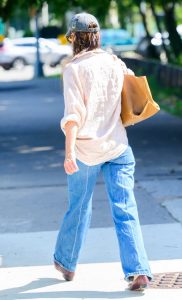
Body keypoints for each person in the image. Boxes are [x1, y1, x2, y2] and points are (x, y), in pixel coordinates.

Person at [53, 12, 153, 291]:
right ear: (97, 36)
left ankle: (67, 263)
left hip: (86, 150)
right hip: (118, 146)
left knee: (79, 207)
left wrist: (69, 152)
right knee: (125, 208)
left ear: (74, 38)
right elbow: (132, 83)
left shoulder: (74, 68)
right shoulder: (113, 61)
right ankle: (139, 271)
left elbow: (73, 115)